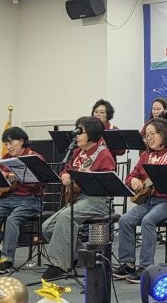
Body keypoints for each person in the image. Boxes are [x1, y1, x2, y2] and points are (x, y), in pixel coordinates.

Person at [41, 116, 116, 280]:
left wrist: (90, 177)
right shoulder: (77, 152)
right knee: (47, 227)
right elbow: (66, 169)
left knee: (66, 217)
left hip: (98, 200)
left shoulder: (104, 154)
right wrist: (65, 175)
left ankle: (58, 265)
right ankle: (80, 256)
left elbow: (107, 183)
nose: (76, 135)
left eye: (80, 132)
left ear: (92, 134)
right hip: (79, 198)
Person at [114, 118, 167, 283]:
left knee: (148, 221)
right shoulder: (146, 155)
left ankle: (146, 267)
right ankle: (127, 264)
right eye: (146, 135)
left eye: (152, 134)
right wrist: (133, 181)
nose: (148, 138)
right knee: (125, 220)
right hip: (148, 200)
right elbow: (131, 176)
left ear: (163, 134)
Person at [0, 127, 45, 272]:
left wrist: (19, 175)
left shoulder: (34, 158)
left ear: (22, 141)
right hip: (8, 199)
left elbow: (40, 183)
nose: (8, 147)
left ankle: (7, 260)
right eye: (6, 144)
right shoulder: (6, 158)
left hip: (31, 199)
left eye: (11, 143)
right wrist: (1, 175)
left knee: (12, 220)